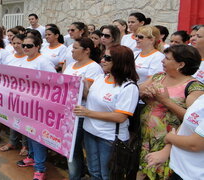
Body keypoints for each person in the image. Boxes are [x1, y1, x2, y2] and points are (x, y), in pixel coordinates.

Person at [73, 45, 139, 180]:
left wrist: (88, 113)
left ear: (120, 61)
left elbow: (120, 117)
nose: (103, 60)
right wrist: (84, 87)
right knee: (94, 171)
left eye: (108, 58)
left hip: (109, 138)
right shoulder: (100, 78)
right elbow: (90, 98)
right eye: (103, 56)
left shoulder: (128, 87)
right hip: (90, 131)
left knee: (108, 174)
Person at [138, 45, 204, 180]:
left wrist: (166, 101)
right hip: (146, 139)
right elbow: (138, 91)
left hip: (169, 145)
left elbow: (192, 119)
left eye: (167, 58)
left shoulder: (194, 87)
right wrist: (144, 94)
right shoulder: (159, 77)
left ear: (181, 64)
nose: (162, 61)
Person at [16, 35, 56, 180]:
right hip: (25, 104)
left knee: (37, 137)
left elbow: (54, 82)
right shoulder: (23, 60)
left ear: (37, 46)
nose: (25, 48)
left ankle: (40, 168)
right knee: (28, 133)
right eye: (24, 45)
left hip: (39, 106)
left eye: (29, 46)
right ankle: (31, 157)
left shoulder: (44, 62)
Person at [63, 37, 103, 180]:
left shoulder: (93, 68)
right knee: (70, 148)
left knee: (73, 147)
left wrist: (82, 87)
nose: (72, 51)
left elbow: (88, 95)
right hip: (66, 112)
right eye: (72, 48)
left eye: (75, 48)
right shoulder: (71, 65)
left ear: (87, 51)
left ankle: (75, 176)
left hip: (80, 113)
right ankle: (77, 173)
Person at [145, 94, 204, 180]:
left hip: (195, 175)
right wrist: (167, 150)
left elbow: (195, 144)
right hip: (179, 168)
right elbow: (186, 125)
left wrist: (169, 137)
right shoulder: (201, 98)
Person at [0, 33, 28, 155]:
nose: (16, 46)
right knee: (13, 118)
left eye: (19, 43)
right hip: (11, 94)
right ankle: (12, 142)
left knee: (25, 122)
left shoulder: (29, 58)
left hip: (26, 96)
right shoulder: (9, 57)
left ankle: (25, 146)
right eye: (14, 43)